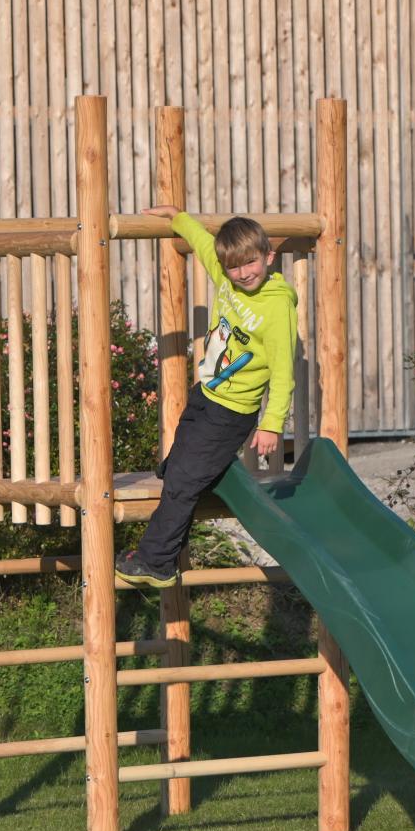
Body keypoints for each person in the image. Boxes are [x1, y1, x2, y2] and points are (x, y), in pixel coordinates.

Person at [115, 207, 299, 588]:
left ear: (268, 256)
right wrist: (177, 218)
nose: (244, 273)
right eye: (234, 267)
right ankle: (194, 474)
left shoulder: (276, 307)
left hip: (232, 414)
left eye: (251, 263)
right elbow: (202, 244)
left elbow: (283, 374)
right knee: (177, 460)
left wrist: (271, 425)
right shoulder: (227, 279)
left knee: (181, 484)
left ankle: (156, 562)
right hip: (207, 395)